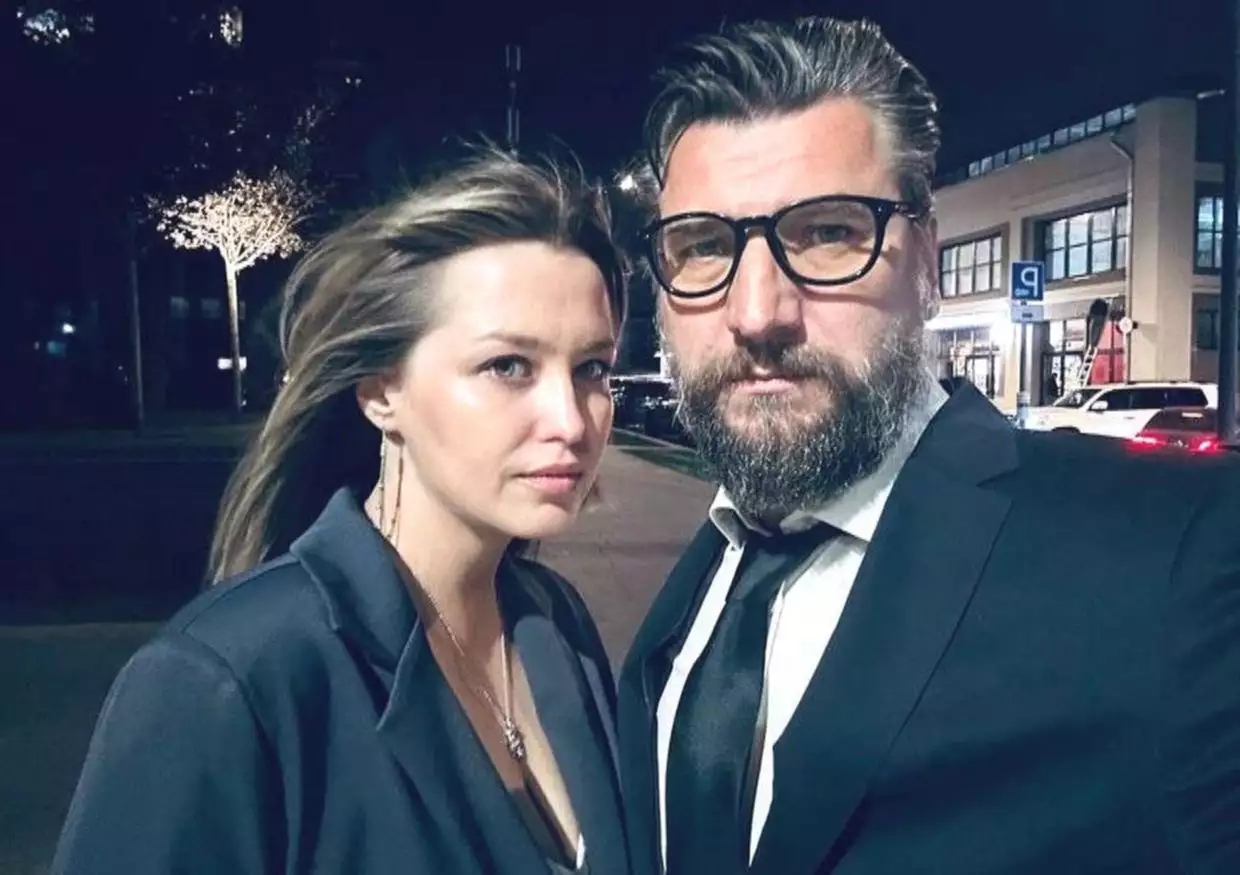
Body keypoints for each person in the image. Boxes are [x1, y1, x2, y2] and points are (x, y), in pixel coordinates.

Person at [617, 16, 1240, 875]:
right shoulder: (696, 589)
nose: (757, 313)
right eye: (703, 246)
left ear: (929, 262)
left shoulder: (1179, 560)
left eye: (827, 233)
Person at [54, 150, 632, 875]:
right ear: (382, 392)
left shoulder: (557, 626)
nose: (571, 420)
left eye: (591, 369)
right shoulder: (232, 676)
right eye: (508, 366)